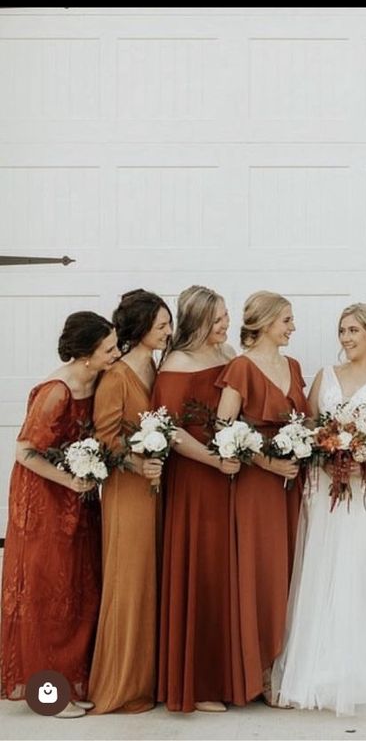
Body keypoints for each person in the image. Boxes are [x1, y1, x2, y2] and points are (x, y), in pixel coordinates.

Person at [272, 303, 366, 715]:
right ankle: (317, 672)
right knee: (325, 568)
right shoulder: (325, 376)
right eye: (341, 331)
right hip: (327, 492)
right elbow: (309, 431)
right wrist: (329, 450)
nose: (346, 338)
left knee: (364, 570)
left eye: (353, 330)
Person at [1, 311, 119, 718]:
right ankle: (47, 697)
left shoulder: (97, 381)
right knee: (48, 593)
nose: (115, 354)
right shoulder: (57, 391)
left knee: (78, 590)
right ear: (86, 354)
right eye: (108, 348)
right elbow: (25, 452)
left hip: (79, 498)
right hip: (45, 501)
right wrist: (70, 482)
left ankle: (69, 684)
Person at [215, 291, 308, 706]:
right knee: (262, 571)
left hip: (293, 482)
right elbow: (224, 428)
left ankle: (286, 666)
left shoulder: (293, 365)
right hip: (258, 485)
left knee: (291, 569)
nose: (292, 326)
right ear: (266, 322)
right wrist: (268, 464)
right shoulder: (241, 366)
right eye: (286, 319)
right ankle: (260, 674)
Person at [152, 285, 240, 713]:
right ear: (199, 320)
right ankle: (199, 682)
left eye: (226, 316)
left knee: (228, 574)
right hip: (195, 479)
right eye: (219, 318)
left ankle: (233, 675)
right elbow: (168, 429)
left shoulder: (228, 355)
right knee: (201, 571)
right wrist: (213, 459)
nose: (226, 324)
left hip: (230, 478)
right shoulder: (177, 364)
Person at [88, 290, 172, 714]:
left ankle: (151, 678)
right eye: (161, 326)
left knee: (154, 579)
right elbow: (104, 438)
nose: (168, 332)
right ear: (139, 329)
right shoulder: (117, 376)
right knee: (130, 581)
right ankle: (121, 684)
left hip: (159, 490)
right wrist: (139, 465)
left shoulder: (157, 367)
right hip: (128, 493)